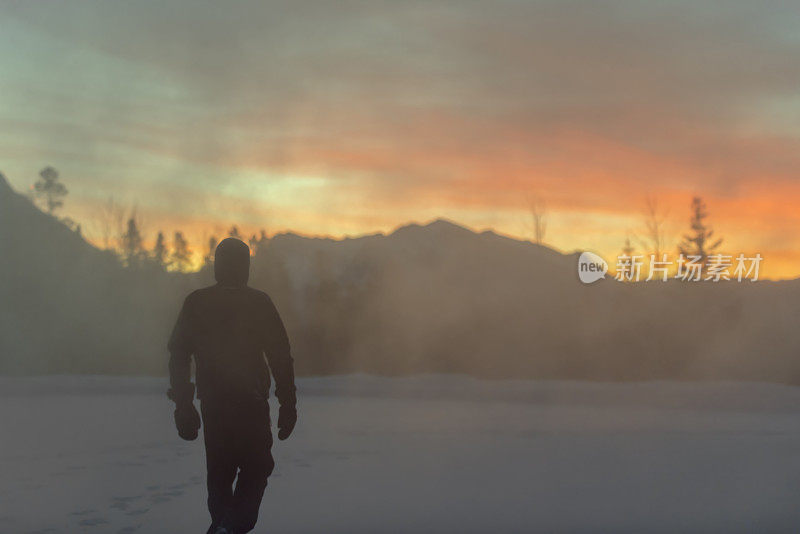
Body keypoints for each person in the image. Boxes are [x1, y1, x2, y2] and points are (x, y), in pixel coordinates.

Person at [167, 237, 297, 534]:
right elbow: (280, 356)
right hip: (250, 404)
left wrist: (184, 404)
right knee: (256, 468)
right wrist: (288, 403)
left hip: (214, 404)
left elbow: (178, 355)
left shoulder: (197, 302)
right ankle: (230, 526)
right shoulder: (258, 302)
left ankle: (224, 526)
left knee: (221, 476)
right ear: (245, 267)